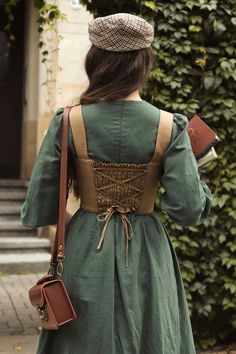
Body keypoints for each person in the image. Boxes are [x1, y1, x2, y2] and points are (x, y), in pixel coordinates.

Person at [21, 13, 211, 354]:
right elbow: (188, 210)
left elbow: (38, 209)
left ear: (95, 62)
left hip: (83, 251)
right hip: (149, 256)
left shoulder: (68, 122)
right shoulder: (170, 127)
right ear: (144, 63)